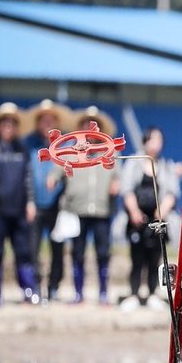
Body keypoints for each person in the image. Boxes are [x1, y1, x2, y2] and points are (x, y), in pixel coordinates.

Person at [53, 106, 121, 305]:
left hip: (102, 211)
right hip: (77, 210)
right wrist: (52, 179)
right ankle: (78, 292)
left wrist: (116, 184)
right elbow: (56, 170)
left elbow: (118, 175)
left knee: (103, 253)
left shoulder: (109, 152)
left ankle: (103, 292)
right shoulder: (70, 154)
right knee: (77, 252)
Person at [0, 102, 38, 306]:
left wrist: (30, 202)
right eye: (4, 123)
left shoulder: (23, 150)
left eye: (12, 123)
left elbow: (28, 178)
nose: (8, 127)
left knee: (23, 252)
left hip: (19, 210)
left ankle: (29, 291)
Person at [121, 126, 180, 307]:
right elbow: (127, 189)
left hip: (157, 220)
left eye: (159, 140)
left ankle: (153, 293)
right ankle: (134, 293)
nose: (156, 144)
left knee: (155, 257)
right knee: (136, 258)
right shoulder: (134, 162)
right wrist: (134, 211)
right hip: (137, 219)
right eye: (153, 139)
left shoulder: (165, 165)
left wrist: (162, 210)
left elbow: (172, 192)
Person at [26, 99, 73, 301]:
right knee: (32, 248)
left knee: (57, 248)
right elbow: (26, 174)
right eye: (43, 120)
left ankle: (53, 286)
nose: (47, 124)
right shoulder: (28, 145)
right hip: (35, 206)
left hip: (58, 207)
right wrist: (29, 200)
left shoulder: (65, 145)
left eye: (50, 120)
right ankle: (35, 286)